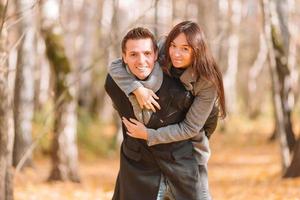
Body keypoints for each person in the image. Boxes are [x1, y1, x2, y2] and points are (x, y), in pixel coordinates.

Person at [108, 21, 226, 200]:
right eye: (174, 46)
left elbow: (190, 128)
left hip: (192, 145)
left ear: (197, 50)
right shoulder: (161, 49)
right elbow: (116, 66)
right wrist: (136, 88)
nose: (176, 54)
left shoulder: (207, 81)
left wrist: (149, 135)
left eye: (185, 49)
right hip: (146, 160)